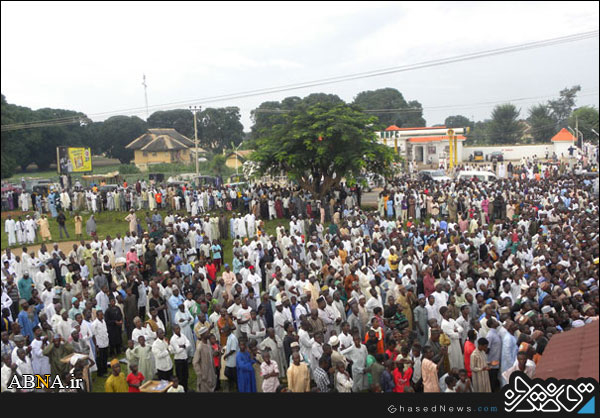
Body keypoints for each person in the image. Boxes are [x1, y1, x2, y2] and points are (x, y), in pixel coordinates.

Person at [193, 326, 217, 392]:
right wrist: (200, 374)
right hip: (204, 374)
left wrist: (215, 352)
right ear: (202, 335)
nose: (208, 334)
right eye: (207, 333)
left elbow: (210, 353)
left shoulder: (208, 343)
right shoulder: (200, 347)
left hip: (211, 370)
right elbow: (195, 362)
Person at [169, 324, 190, 392]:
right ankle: (180, 389)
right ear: (174, 330)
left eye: (178, 328)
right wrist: (184, 346)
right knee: (180, 377)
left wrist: (182, 346)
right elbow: (177, 350)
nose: (178, 330)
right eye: (176, 329)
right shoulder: (173, 339)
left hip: (184, 358)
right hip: (179, 360)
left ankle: (185, 389)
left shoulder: (182, 335)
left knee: (186, 376)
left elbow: (188, 343)